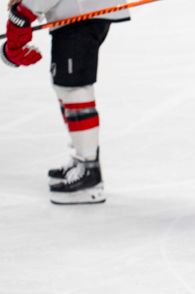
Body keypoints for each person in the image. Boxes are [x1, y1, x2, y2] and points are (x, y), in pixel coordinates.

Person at [2, 0, 129, 204]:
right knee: (65, 86)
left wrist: (24, 13)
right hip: (79, 14)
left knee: (74, 88)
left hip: (83, 16)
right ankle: (82, 161)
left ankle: (89, 173)